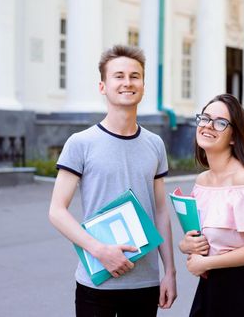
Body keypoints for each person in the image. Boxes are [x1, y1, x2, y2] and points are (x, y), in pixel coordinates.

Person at [49, 44, 176, 316]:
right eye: (118, 76)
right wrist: (100, 250)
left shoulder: (155, 144)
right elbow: (56, 211)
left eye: (135, 76)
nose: (127, 83)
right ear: (103, 86)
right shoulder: (80, 143)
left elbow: (161, 211)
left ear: (143, 84)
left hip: (145, 282)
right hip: (97, 281)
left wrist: (170, 272)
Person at [179, 93, 244, 317]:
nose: (208, 126)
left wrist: (207, 264)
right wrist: (187, 245)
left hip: (243, 292)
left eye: (220, 122)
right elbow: (205, 238)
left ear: (234, 137)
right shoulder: (202, 182)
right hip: (210, 290)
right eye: (205, 118)